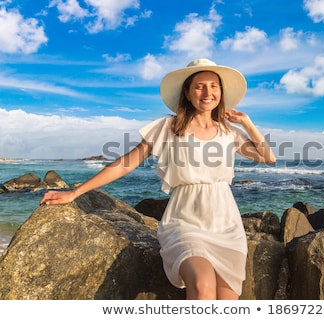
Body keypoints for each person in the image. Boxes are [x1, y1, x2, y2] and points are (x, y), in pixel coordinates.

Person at [40, 58, 276, 300]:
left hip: (227, 225)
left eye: (214, 86)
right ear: (187, 92)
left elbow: (268, 157)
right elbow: (126, 163)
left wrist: (247, 122)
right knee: (203, 284)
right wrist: (75, 192)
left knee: (228, 302)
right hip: (186, 222)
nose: (208, 92)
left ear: (221, 91)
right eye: (199, 86)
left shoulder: (229, 132)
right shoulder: (168, 127)